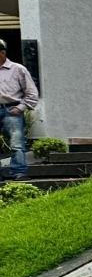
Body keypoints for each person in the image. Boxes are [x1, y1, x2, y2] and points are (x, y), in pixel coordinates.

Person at [0, 39, 39, 180]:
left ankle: (18, 172)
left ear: (2, 53)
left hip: (12, 110)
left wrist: (21, 107)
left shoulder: (18, 69)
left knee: (16, 144)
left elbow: (32, 93)